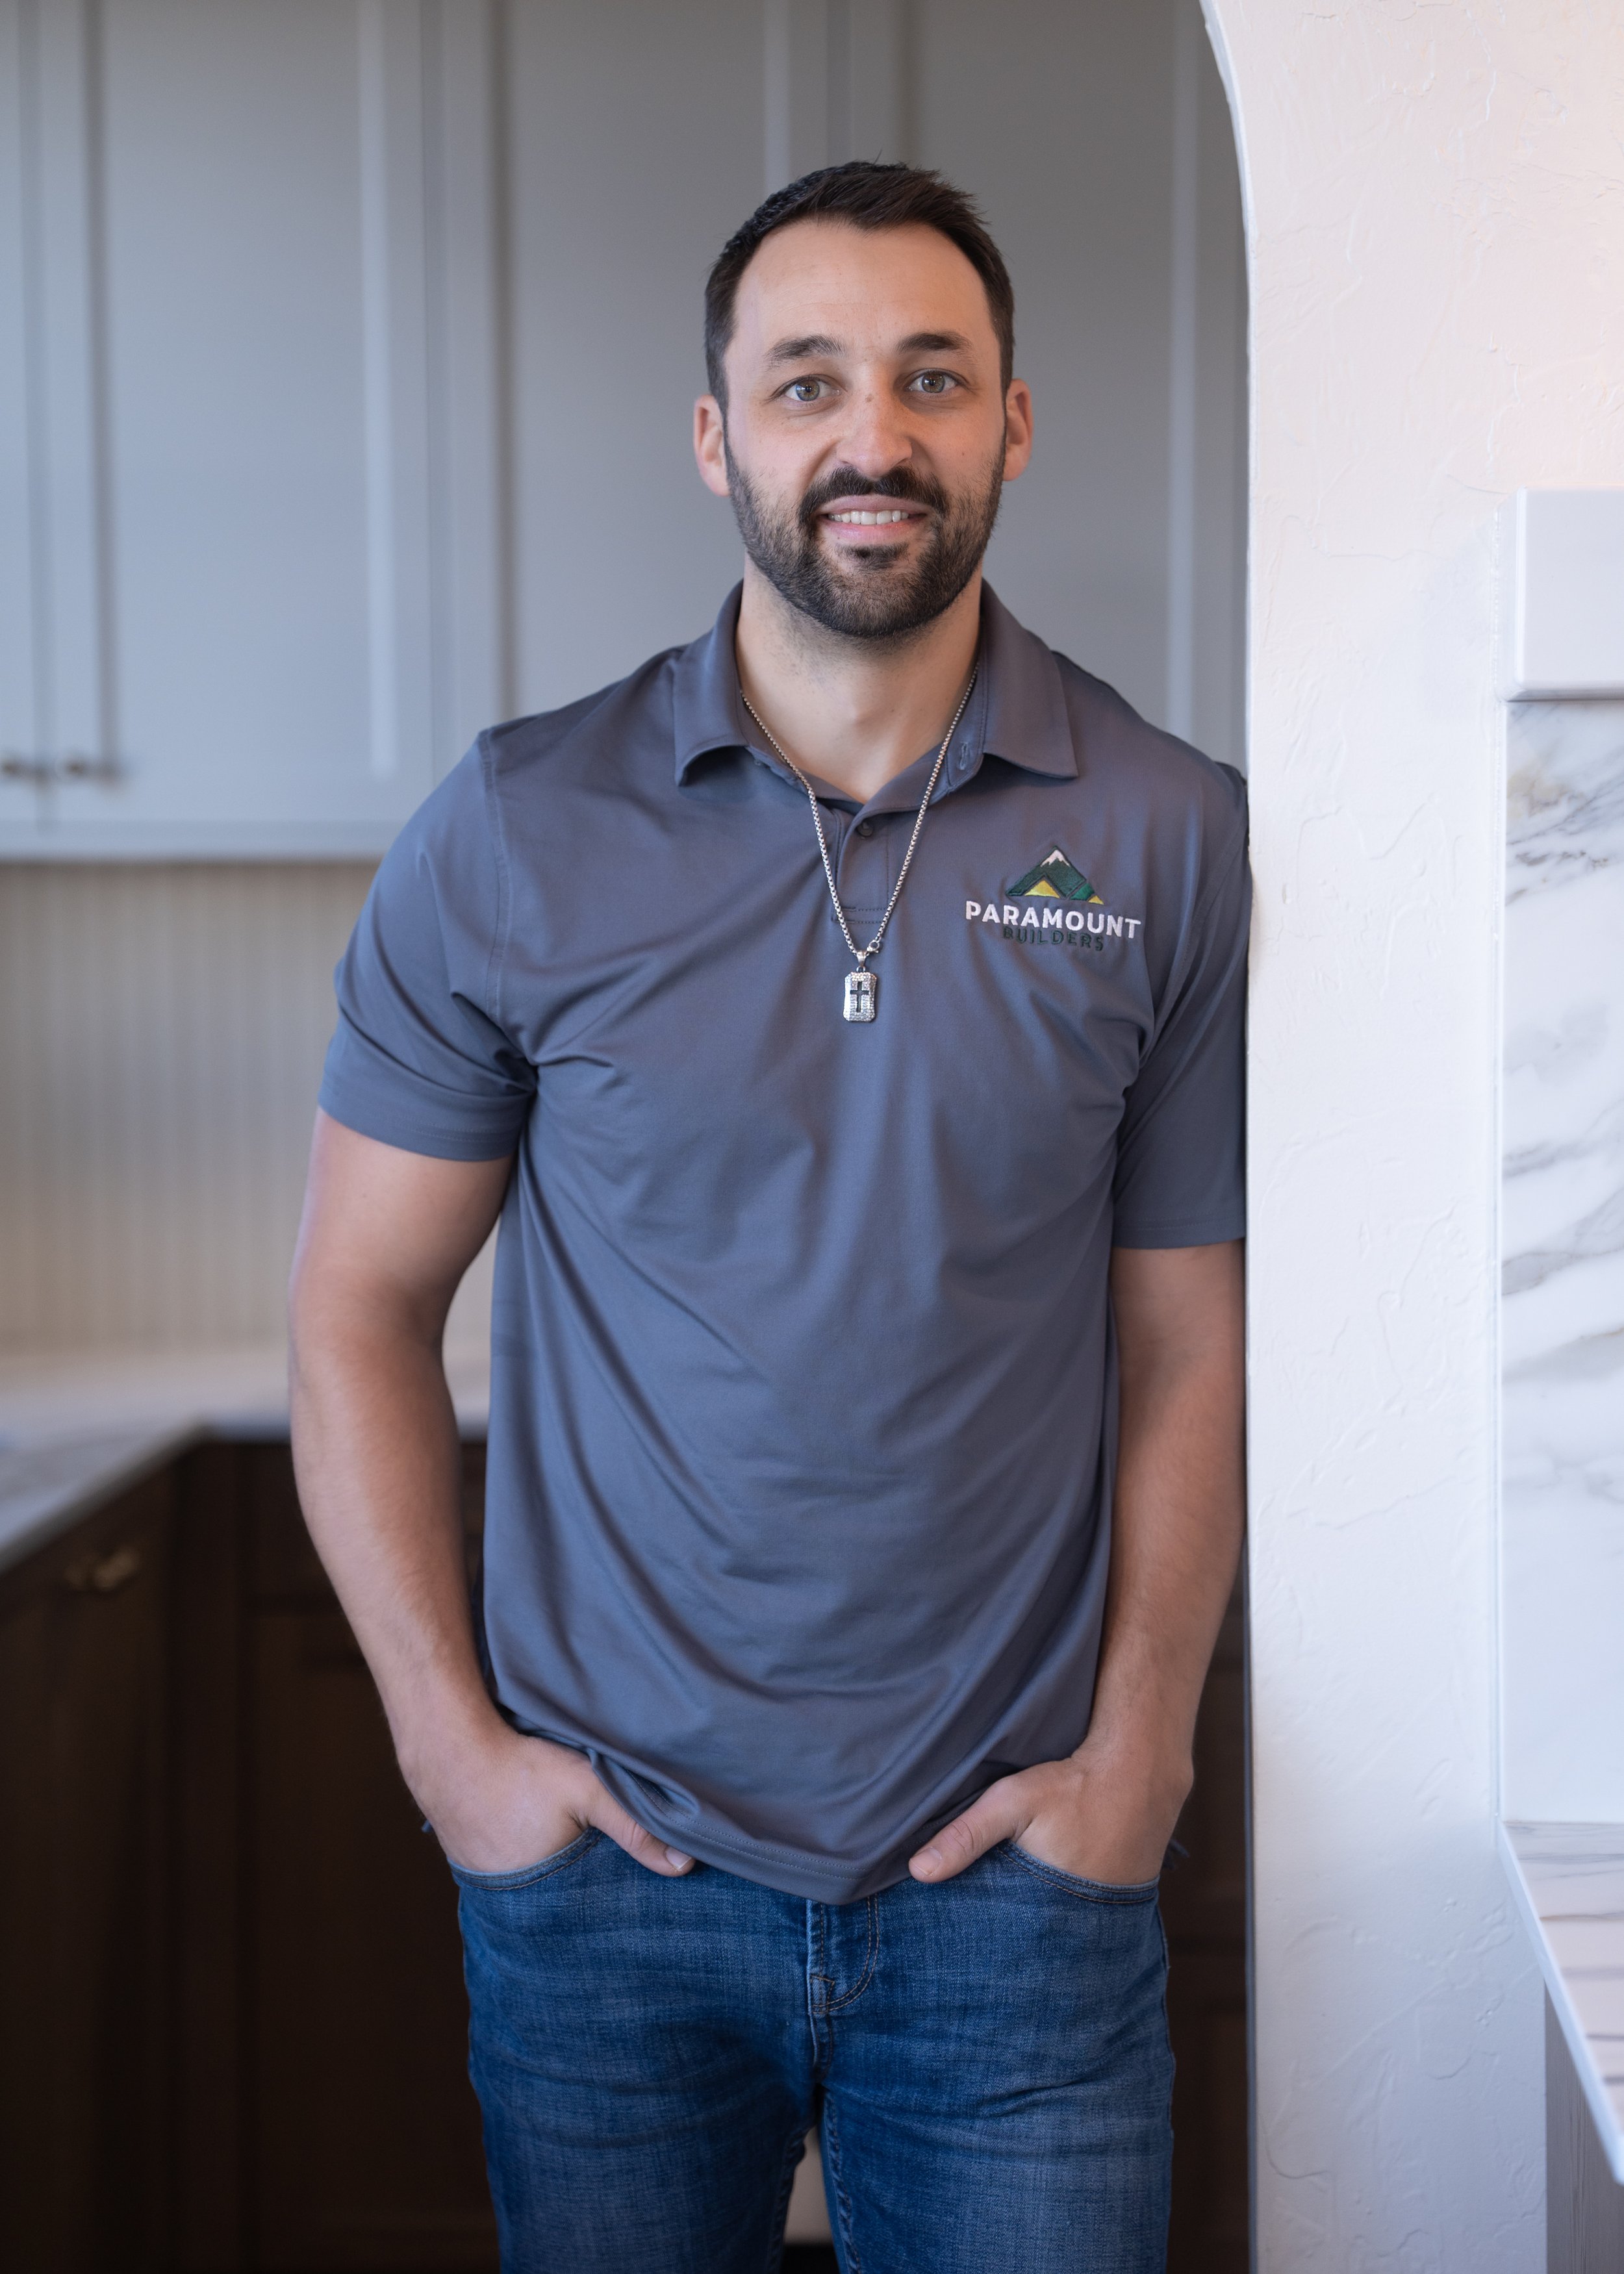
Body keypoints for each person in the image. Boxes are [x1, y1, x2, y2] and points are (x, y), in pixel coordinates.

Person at [289, 160, 1248, 2274]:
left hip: (1020, 1891)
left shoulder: (1164, 834)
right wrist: (456, 1762)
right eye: (807, 382)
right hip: (607, 1890)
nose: (871, 436)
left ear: (1012, 423)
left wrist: (1140, 1763)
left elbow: (1189, 1337)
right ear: (719, 438)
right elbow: (356, 1304)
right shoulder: (516, 830)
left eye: (931, 378)